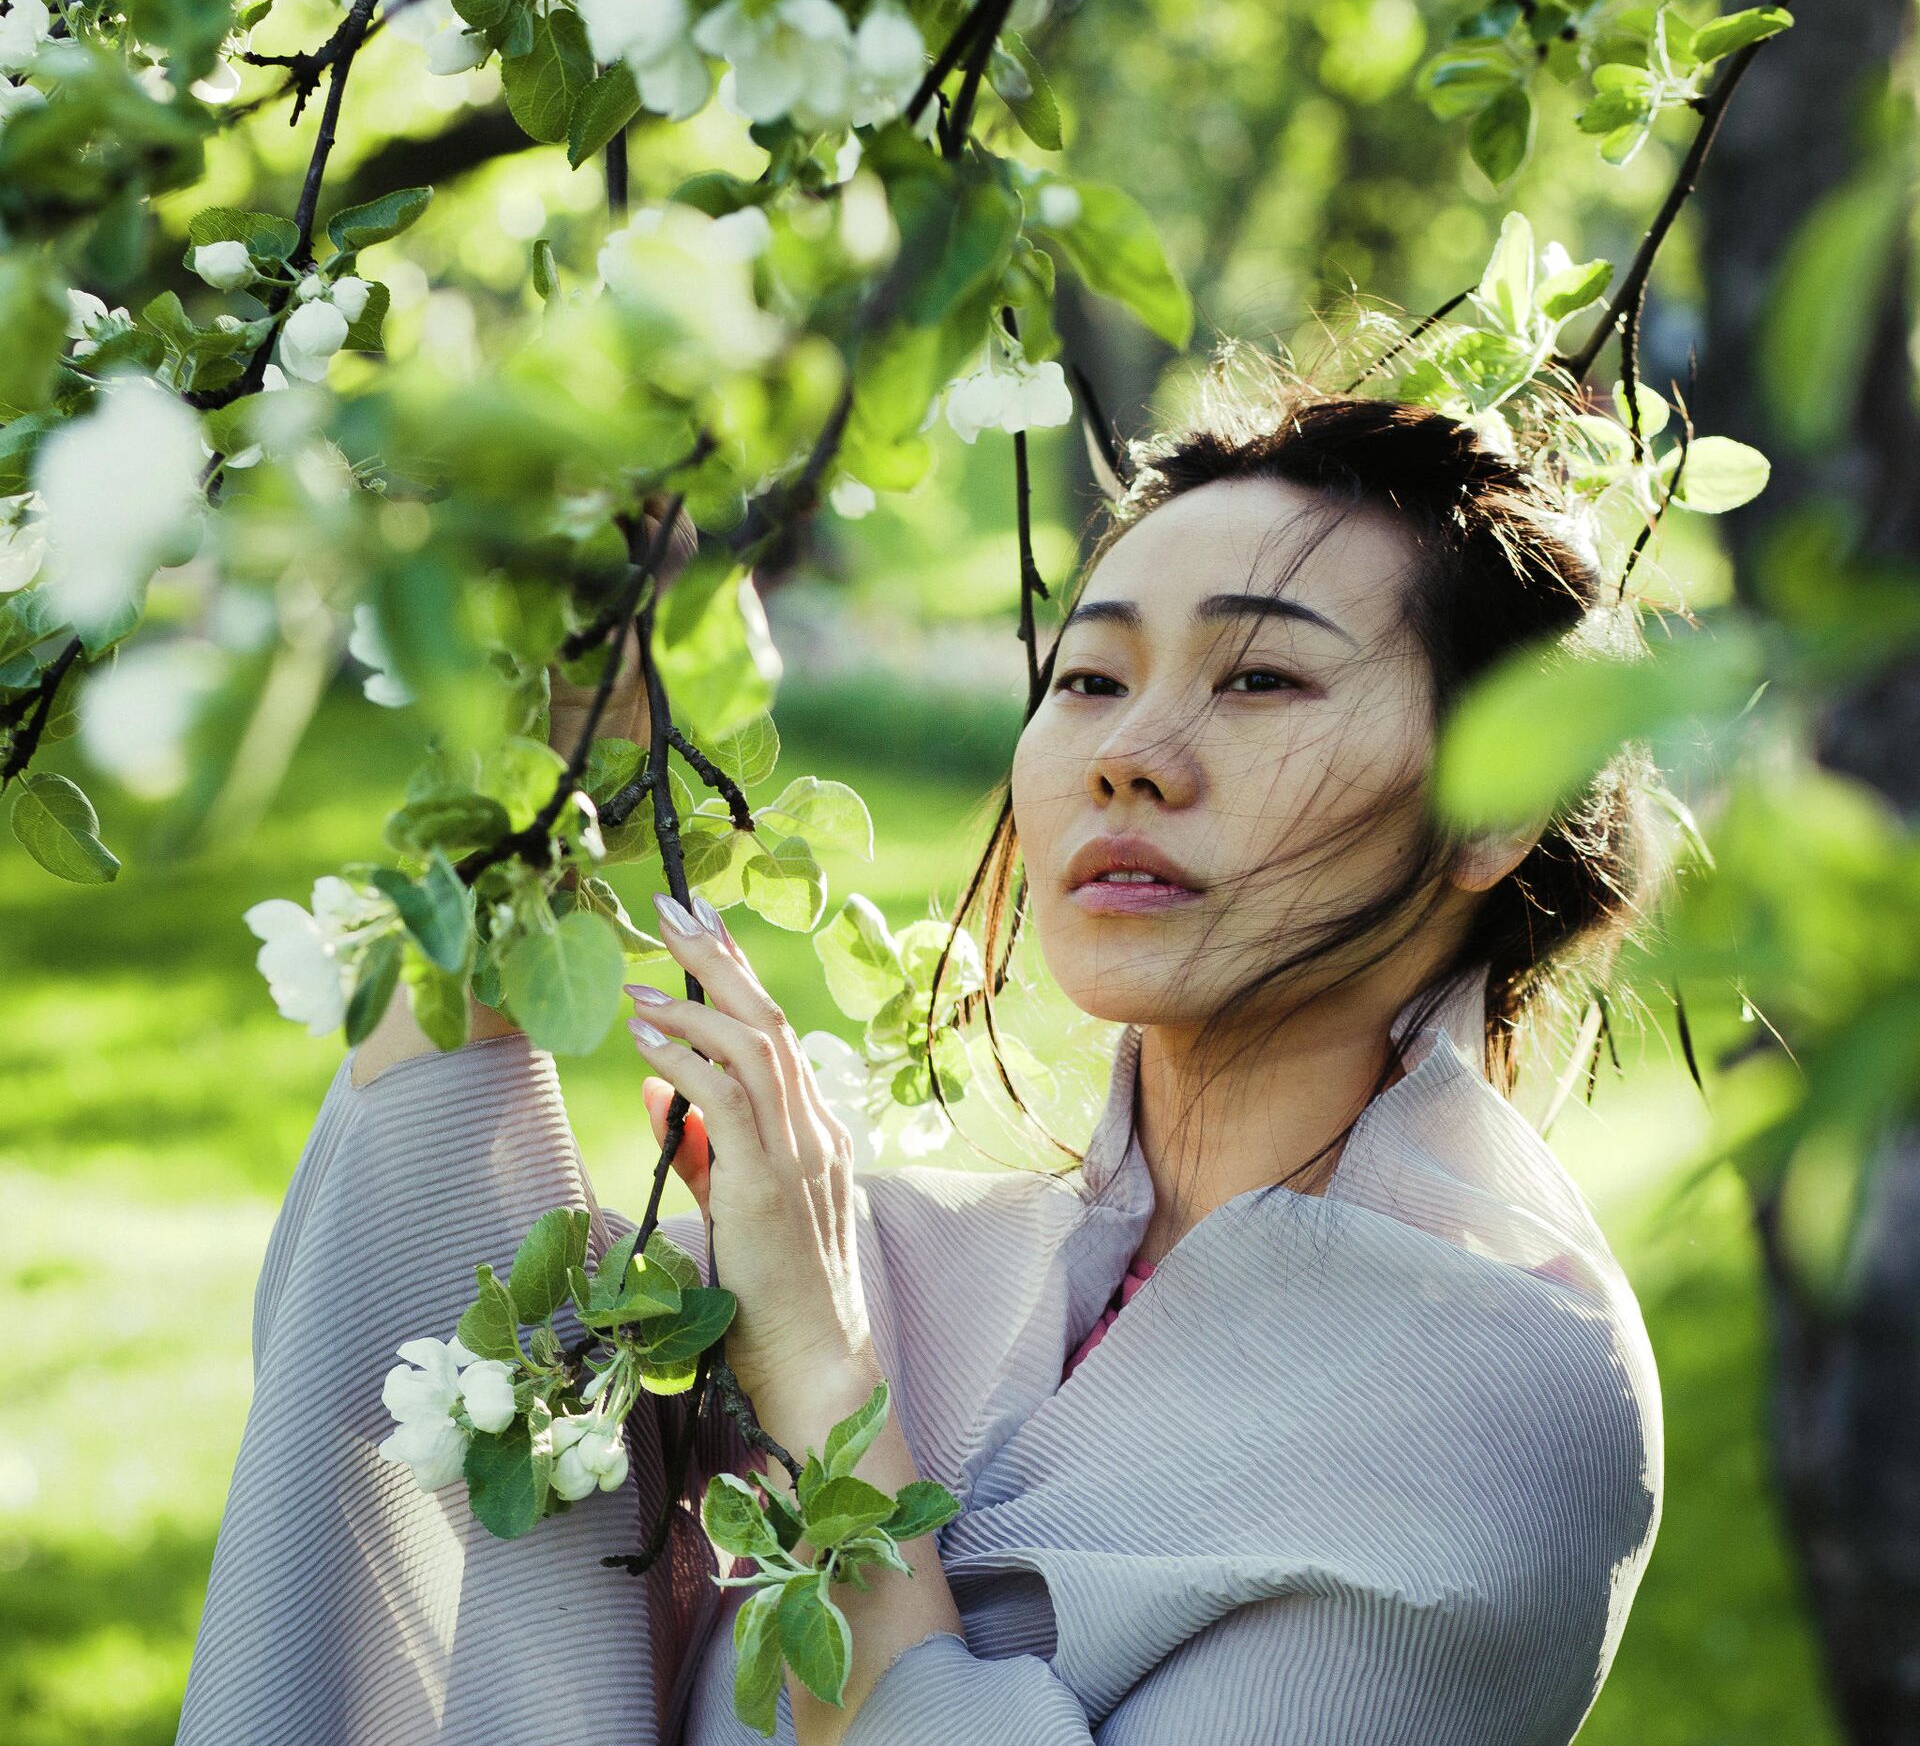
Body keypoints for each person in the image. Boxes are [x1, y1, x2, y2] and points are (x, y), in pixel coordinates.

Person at [177, 383, 1664, 1746]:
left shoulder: (1503, 1386)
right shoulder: (932, 1262)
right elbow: (419, 1383)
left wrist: (827, 1376)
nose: (1128, 754)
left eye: (1261, 679)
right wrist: (529, 810)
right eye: (1087, 678)